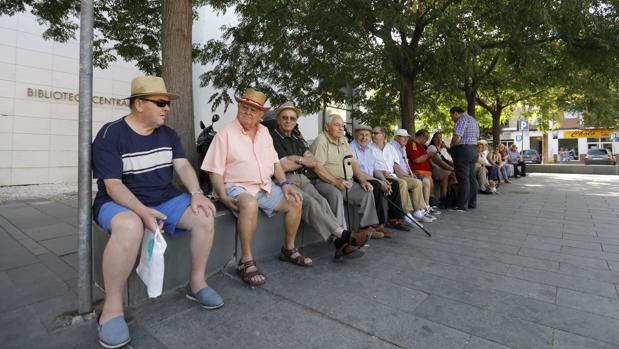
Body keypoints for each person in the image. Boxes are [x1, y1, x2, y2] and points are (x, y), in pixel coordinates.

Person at [92, 76, 222, 348]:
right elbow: (113, 186)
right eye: (160, 103)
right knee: (130, 226)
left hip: (164, 197)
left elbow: (183, 166)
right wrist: (141, 212)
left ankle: (196, 285)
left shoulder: (168, 134)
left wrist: (197, 193)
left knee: (205, 215)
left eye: (167, 103)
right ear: (139, 104)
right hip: (120, 202)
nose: (167, 108)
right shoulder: (110, 134)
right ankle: (112, 309)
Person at [202, 88, 310, 287]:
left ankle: (288, 249)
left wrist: (284, 184)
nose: (248, 112)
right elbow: (214, 170)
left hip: (264, 186)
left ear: (261, 114)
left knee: (295, 199)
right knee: (250, 204)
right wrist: (223, 196)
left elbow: (275, 162)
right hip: (237, 187)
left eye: (254, 110)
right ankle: (246, 261)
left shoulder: (264, 133)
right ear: (239, 107)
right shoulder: (225, 134)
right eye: (245, 107)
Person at [270, 101, 368, 260]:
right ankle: (343, 235)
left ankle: (340, 244)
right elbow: (282, 165)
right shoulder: (272, 137)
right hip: (285, 180)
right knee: (309, 202)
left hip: (303, 178)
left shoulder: (296, 137)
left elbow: (313, 161)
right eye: (285, 117)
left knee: (322, 201)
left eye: (292, 118)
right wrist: (301, 160)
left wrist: (295, 158)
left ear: (296, 121)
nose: (288, 121)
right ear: (278, 119)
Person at [310, 115, 387, 238]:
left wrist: (363, 181)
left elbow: (354, 162)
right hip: (324, 182)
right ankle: (343, 236)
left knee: (366, 192)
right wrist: (335, 182)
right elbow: (317, 167)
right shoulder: (321, 140)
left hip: (346, 182)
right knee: (335, 194)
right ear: (327, 127)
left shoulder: (343, 141)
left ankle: (366, 229)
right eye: (337, 125)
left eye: (342, 126)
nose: (341, 128)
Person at [350, 125, 410, 233]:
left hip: (371, 177)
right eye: (361, 135)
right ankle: (379, 224)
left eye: (367, 135)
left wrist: (384, 180)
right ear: (355, 135)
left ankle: (394, 219)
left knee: (394, 184)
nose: (364, 138)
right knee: (376, 186)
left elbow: (375, 169)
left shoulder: (368, 149)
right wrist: (379, 182)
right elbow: (358, 171)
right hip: (358, 177)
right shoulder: (351, 148)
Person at [370, 127, 433, 223]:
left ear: (383, 135)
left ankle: (418, 211)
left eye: (375, 133)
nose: (373, 135)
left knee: (416, 182)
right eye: (372, 133)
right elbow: (370, 166)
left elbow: (397, 167)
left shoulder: (390, 148)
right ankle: (406, 213)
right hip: (380, 176)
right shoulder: (369, 148)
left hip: (394, 175)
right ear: (396, 137)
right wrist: (381, 173)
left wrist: (408, 176)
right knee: (402, 183)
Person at [390, 129, 436, 221]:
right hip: (396, 175)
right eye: (403, 137)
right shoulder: (393, 148)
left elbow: (406, 164)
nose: (406, 139)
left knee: (419, 182)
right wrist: (409, 175)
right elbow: (398, 167)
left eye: (407, 137)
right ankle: (408, 213)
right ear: (396, 137)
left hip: (406, 173)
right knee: (417, 182)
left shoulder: (402, 148)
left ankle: (419, 211)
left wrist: (410, 174)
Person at [449, 106, 480, 211]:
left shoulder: (461, 120)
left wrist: (451, 146)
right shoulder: (473, 120)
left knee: (463, 179)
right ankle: (472, 203)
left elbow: (457, 137)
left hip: (463, 150)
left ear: (456, 113)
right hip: (473, 150)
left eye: (451, 116)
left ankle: (461, 205)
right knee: (471, 178)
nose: (452, 118)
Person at [406, 130, 435, 210]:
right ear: (421, 136)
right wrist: (429, 154)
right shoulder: (413, 144)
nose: (427, 140)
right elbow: (416, 159)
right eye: (427, 138)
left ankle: (430, 205)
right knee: (428, 180)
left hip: (426, 172)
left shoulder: (421, 146)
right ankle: (428, 206)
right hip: (417, 172)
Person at [427, 132, 456, 204]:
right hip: (434, 169)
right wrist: (451, 168)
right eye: (436, 137)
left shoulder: (443, 149)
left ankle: (450, 195)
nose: (438, 139)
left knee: (454, 175)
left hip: (445, 168)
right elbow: (439, 162)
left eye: (440, 137)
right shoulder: (432, 148)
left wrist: (456, 167)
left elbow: (450, 160)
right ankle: (443, 198)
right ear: (433, 139)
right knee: (445, 173)